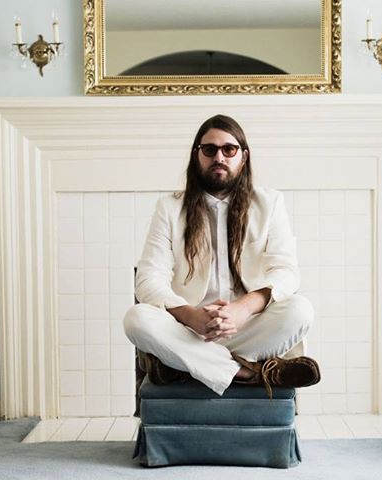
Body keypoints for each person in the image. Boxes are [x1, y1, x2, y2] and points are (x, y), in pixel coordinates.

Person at [123, 114, 320, 397]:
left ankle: (181, 365)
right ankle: (247, 372)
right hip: (188, 330)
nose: (219, 157)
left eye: (229, 149)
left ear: (243, 157)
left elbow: (286, 272)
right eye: (209, 149)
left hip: (248, 327)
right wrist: (191, 316)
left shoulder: (270, 203)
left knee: (300, 310)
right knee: (136, 319)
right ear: (197, 156)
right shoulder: (169, 207)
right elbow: (148, 280)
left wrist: (242, 309)